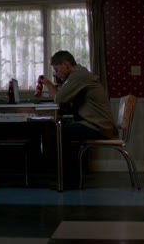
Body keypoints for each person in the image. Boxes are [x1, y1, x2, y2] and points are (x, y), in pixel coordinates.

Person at [38, 50, 117, 187]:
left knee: (59, 131)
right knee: (58, 128)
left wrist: (49, 84)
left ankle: (70, 181)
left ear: (66, 65)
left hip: (99, 126)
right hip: (96, 124)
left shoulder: (78, 76)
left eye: (57, 70)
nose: (57, 74)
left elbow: (59, 99)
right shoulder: (78, 75)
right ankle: (65, 176)